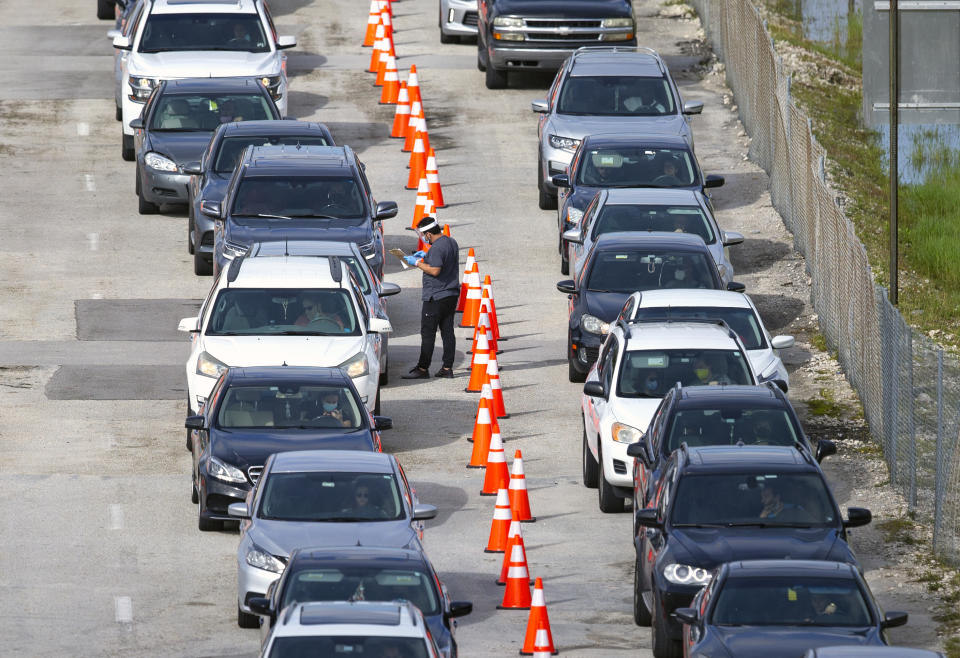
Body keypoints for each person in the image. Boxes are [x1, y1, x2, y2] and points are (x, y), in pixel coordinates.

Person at [401, 217, 460, 379]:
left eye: (422, 235)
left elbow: (435, 270)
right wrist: (426, 255)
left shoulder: (437, 249)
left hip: (435, 296)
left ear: (428, 234)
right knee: (447, 331)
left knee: (428, 333)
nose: (422, 238)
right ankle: (447, 368)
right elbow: (442, 259)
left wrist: (417, 262)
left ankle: (422, 368)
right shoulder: (450, 242)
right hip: (451, 294)